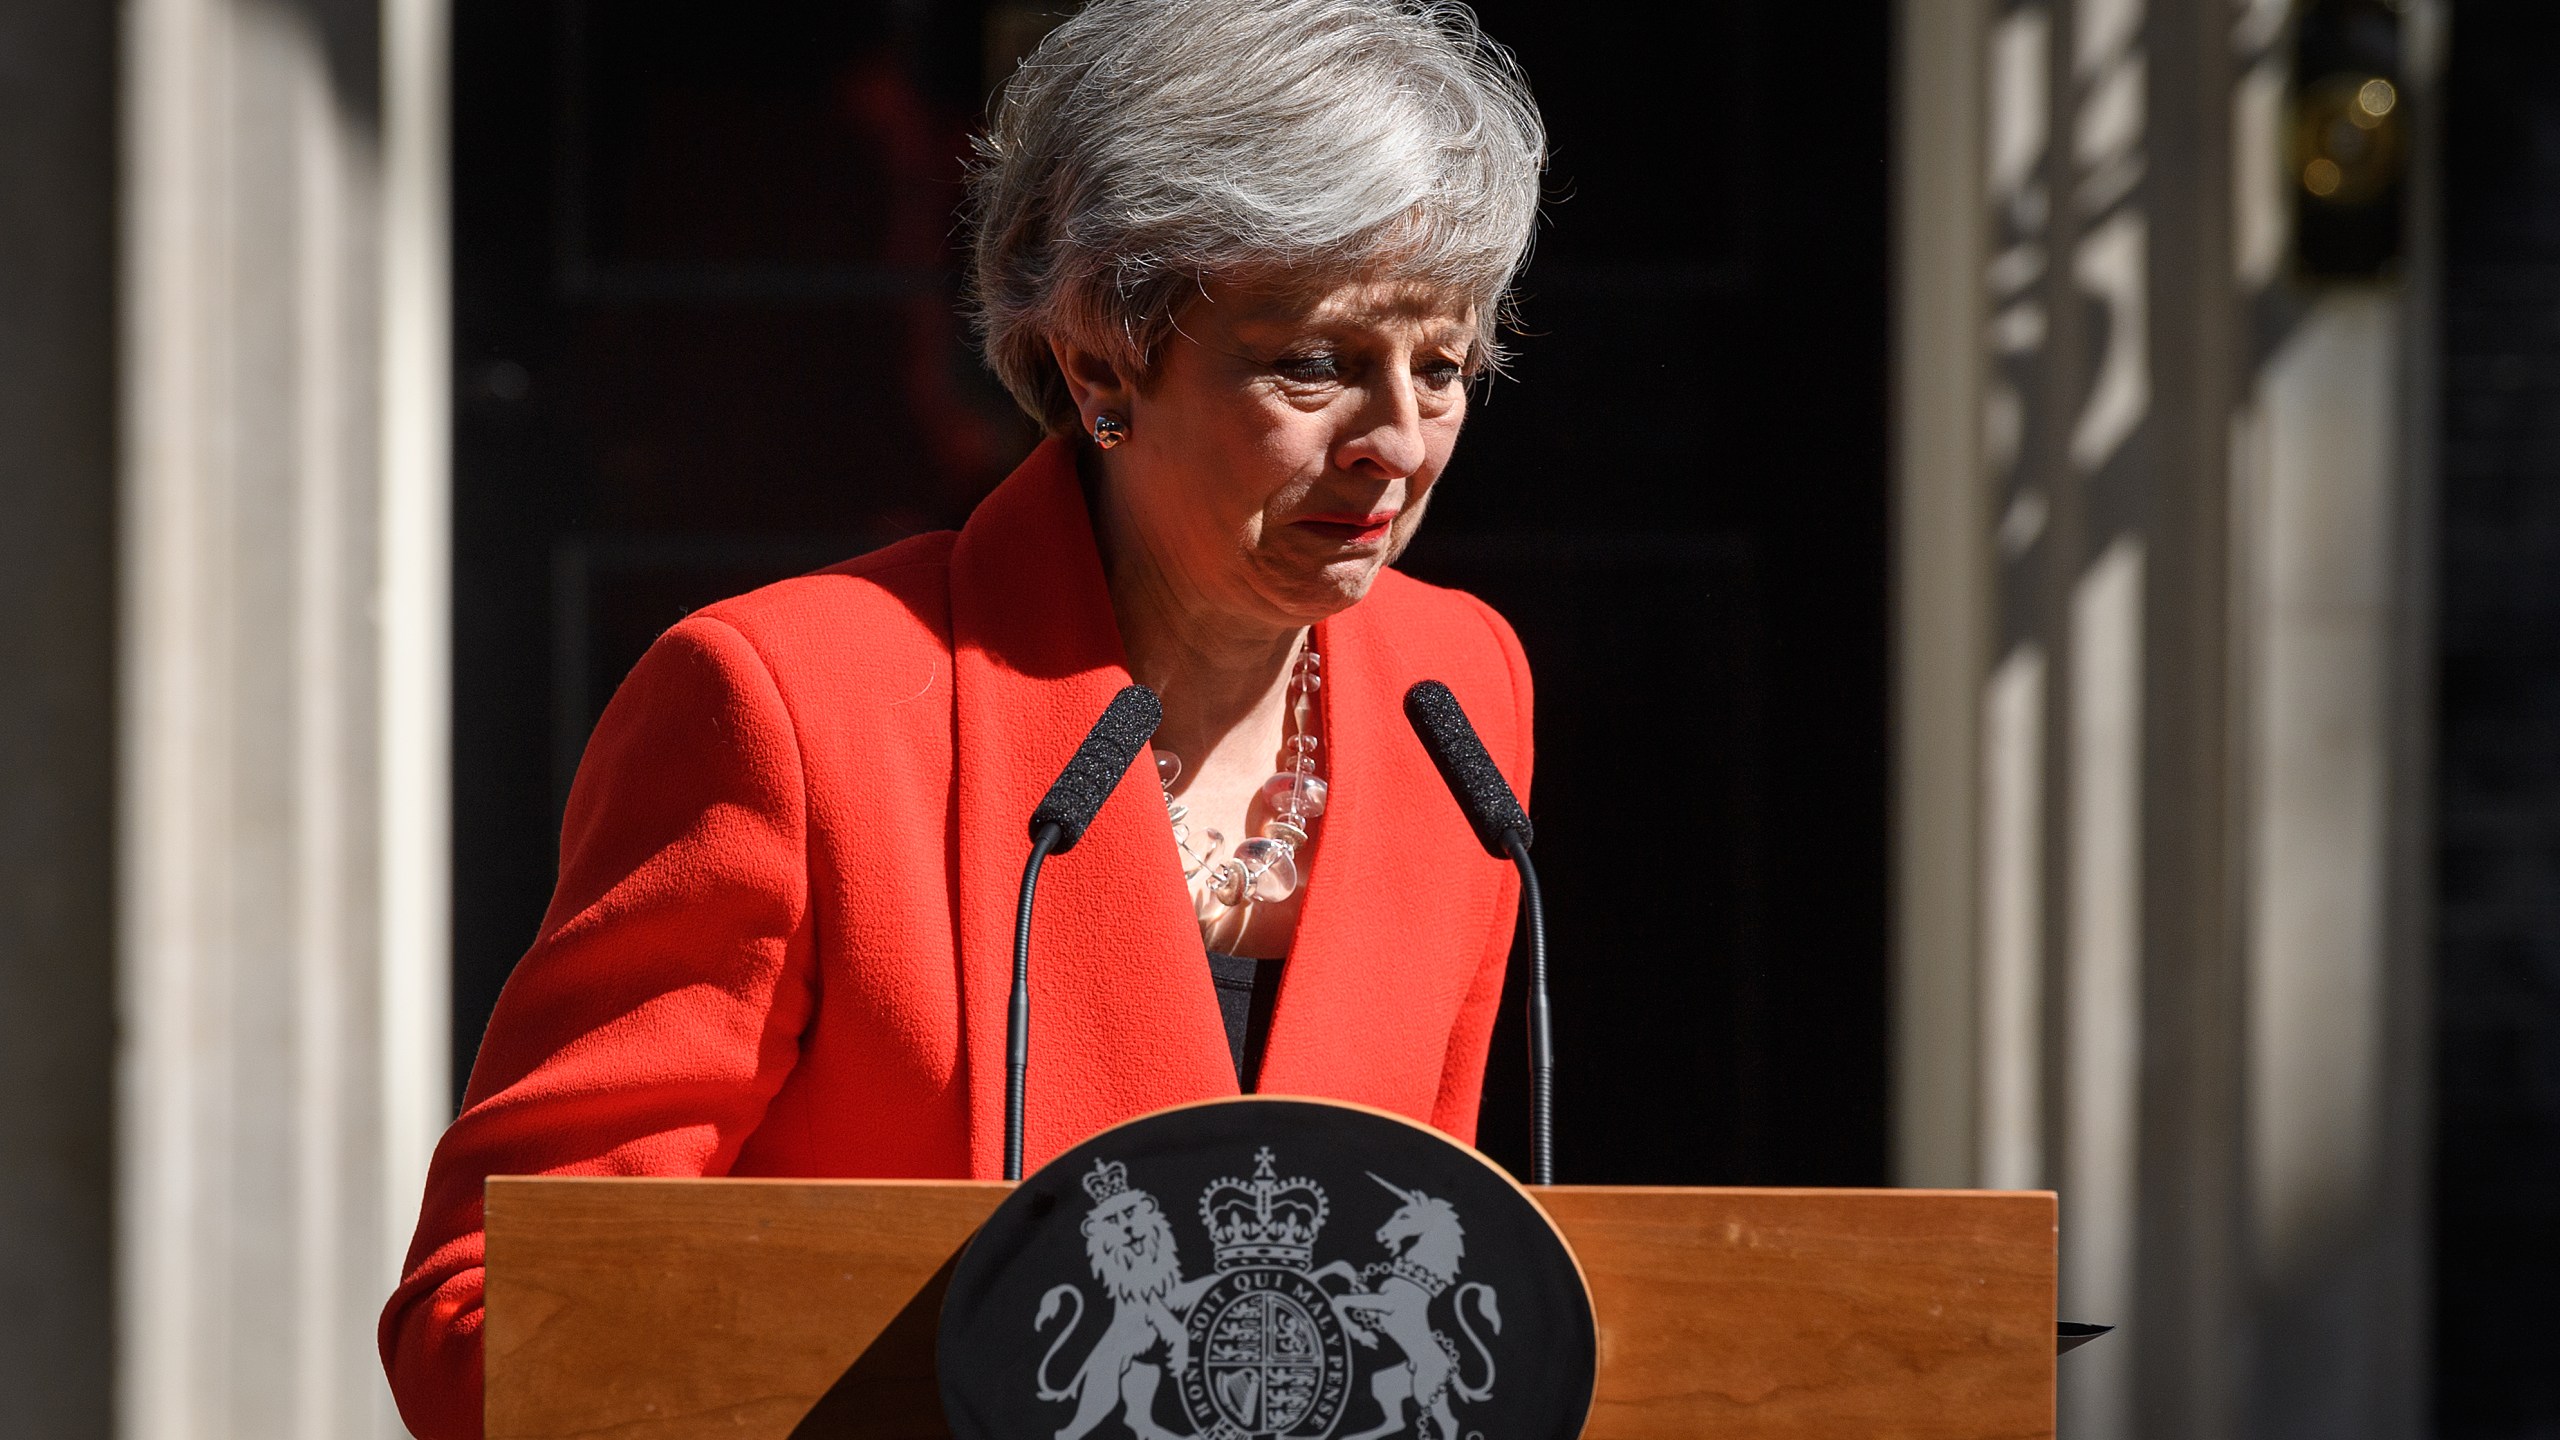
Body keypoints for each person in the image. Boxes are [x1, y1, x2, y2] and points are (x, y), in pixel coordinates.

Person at [380, 1, 1546, 1434]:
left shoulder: (1458, 693)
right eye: (1314, 362)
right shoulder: (790, 707)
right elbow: (490, 1315)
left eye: (1442, 367)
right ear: (1101, 359)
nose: (1399, 441)